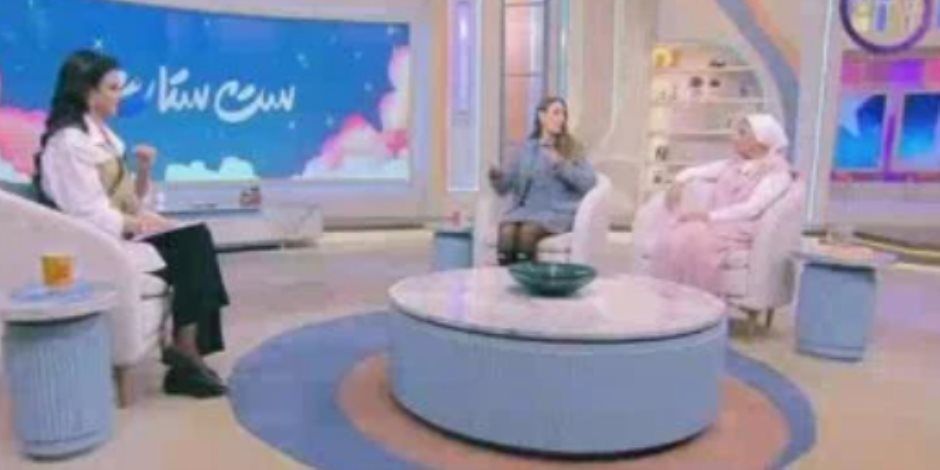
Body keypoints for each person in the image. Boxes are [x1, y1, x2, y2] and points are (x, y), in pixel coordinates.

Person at [34, 50, 228, 398]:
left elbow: (130, 202)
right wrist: (139, 225)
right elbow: (87, 213)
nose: (119, 96)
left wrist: (144, 176)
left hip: (116, 233)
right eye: (112, 88)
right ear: (88, 93)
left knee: (195, 239)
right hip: (94, 242)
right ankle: (186, 355)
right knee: (193, 244)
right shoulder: (69, 145)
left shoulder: (104, 138)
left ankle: (187, 353)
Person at [647, 113, 794, 295]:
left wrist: (708, 216)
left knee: (696, 239)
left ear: (759, 141)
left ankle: (698, 301)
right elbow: (696, 171)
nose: (734, 138)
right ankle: (671, 298)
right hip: (715, 224)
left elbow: (752, 208)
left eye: (742, 133)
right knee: (679, 235)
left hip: (739, 228)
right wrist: (679, 181)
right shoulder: (733, 164)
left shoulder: (777, 172)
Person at [488, 96, 597, 265]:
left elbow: (588, 182)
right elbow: (505, 187)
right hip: (526, 211)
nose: (561, 119)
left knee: (527, 233)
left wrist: (561, 165)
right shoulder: (527, 149)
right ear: (542, 116)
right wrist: (496, 176)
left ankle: (526, 278)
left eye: (563, 114)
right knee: (507, 232)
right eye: (556, 113)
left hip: (557, 213)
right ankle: (506, 278)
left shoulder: (572, 147)